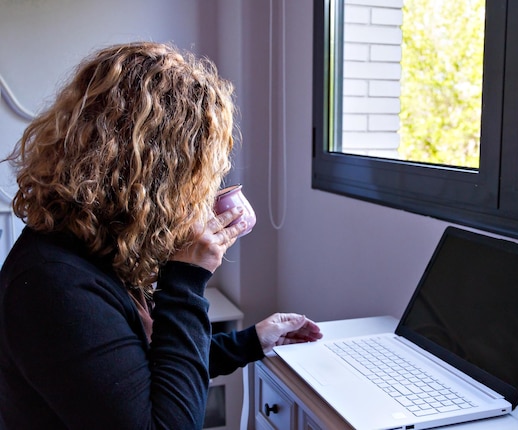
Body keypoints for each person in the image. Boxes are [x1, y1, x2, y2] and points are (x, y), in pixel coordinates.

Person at [0, 41, 322, 430]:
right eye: (198, 177)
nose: (203, 193)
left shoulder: (90, 244)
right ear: (157, 178)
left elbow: (136, 371)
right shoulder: (55, 286)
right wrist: (186, 279)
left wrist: (250, 342)